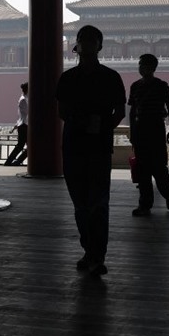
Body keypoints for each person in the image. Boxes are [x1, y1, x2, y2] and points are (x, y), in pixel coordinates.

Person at [56, 25, 125, 277]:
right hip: (73, 145)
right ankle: (89, 250)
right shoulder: (67, 79)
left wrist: (103, 125)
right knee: (80, 205)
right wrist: (82, 122)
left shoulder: (111, 78)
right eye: (82, 39)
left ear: (100, 45)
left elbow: (120, 112)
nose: (86, 43)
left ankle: (99, 254)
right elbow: (61, 112)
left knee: (98, 203)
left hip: (98, 147)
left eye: (91, 39)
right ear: (76, 45)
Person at [128, 54, 169, 216]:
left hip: (156, 128)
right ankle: (145, 205)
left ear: (153, 68)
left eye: (144, 65)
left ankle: (168, 194)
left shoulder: (162, 86)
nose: (141, 68)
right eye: (140, 65)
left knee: (159, 167)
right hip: (140, 129)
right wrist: (132, 132)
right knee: (142, 170)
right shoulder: (135, 86)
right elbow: (133, 111)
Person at [4, 82, 29, 166]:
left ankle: (13, 161)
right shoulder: (23, 99)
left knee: (21, 146)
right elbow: (27, 113)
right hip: (24, 125)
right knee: (22, 146)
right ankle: (13, 161)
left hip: (24, 125)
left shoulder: (25, 98)